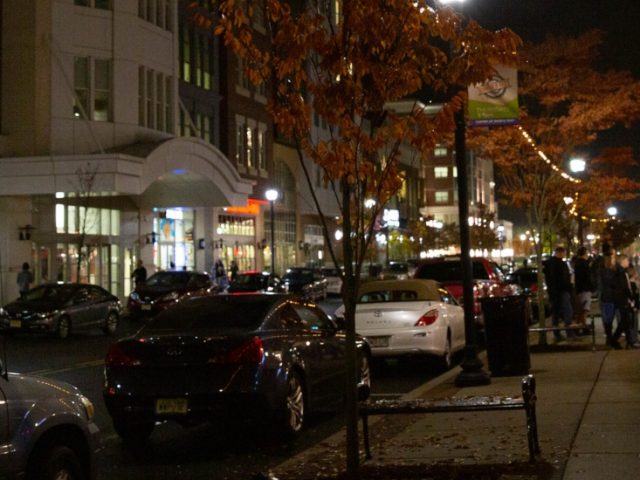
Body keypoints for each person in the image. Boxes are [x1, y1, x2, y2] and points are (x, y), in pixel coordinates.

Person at [543, 246, 574, 342]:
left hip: (557, 291)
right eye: (563, 253)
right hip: (561, 291)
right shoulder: (557, 264)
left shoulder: (553, 264)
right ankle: (567, 332)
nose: (564, 255)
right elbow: (557, 279)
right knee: (566, 311)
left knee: (557, 312)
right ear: (559, 253)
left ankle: (558, 333)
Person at [609, 254, 638, 349]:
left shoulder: (620, 272)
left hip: (622, 300)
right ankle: (614, 340)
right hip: (623, 300)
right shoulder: (621, 273)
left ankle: (629, 341)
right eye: (626, 260)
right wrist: (631, 298)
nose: (628, 262)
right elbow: (625, 288)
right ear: (622, 262)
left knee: (626, 321)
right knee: (625, 321)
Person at [572, 246, 594, 328]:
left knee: (582, 308)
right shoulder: (584, 264)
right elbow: (587, 277)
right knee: (585, 309)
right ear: (584, 253)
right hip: (585, 289)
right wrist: (592, 287)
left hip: (580, 289)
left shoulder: (578, 264)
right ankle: (582, 326)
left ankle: (580, 325)